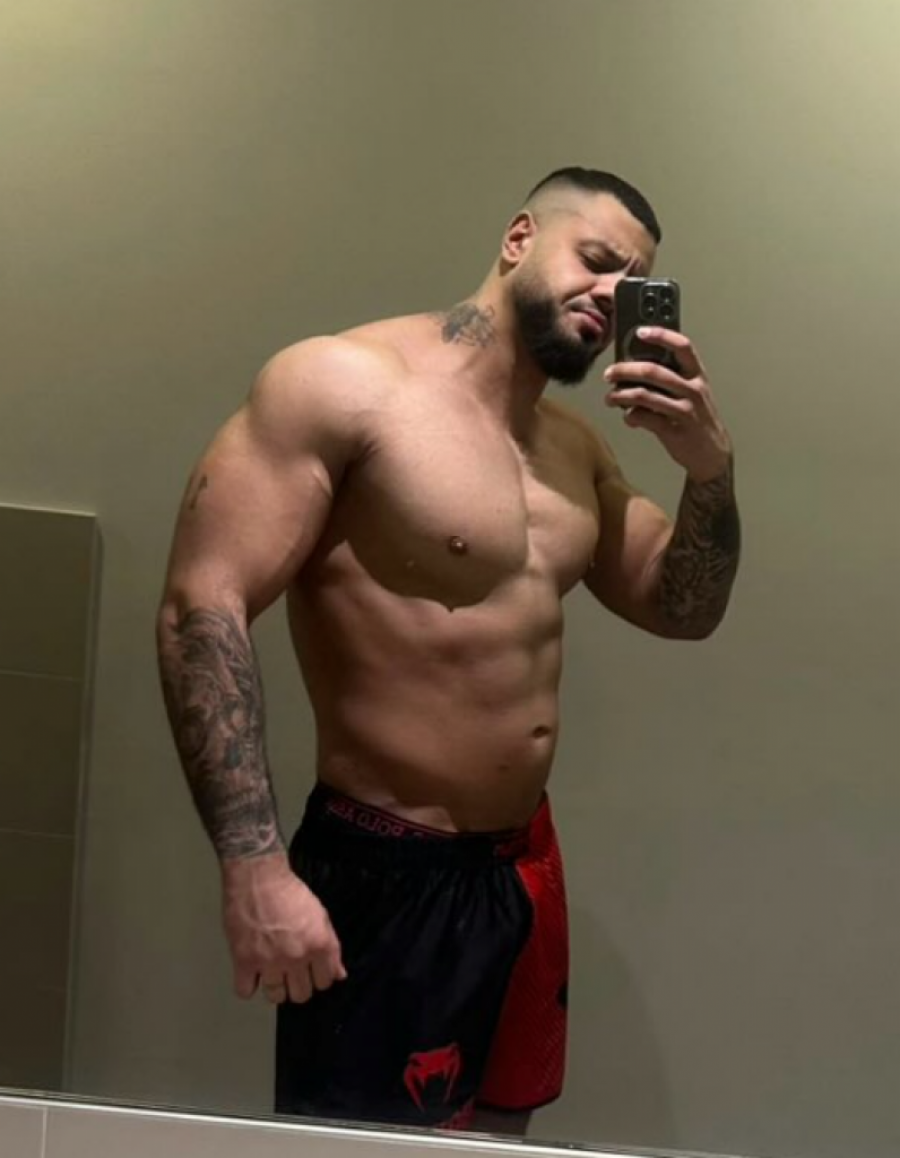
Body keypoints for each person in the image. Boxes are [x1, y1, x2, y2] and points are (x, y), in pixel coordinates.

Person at [156, 167, 740, 1133]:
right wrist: (252, 865)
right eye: (597, 260)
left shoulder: (575, 452)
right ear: (519, 239)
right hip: (384, 871)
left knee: (502, 1143)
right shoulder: (343, 386)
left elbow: (684, 608)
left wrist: (710, 470)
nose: (612, 293)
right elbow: (199, 608)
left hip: (522, 865)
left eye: (634, 283)